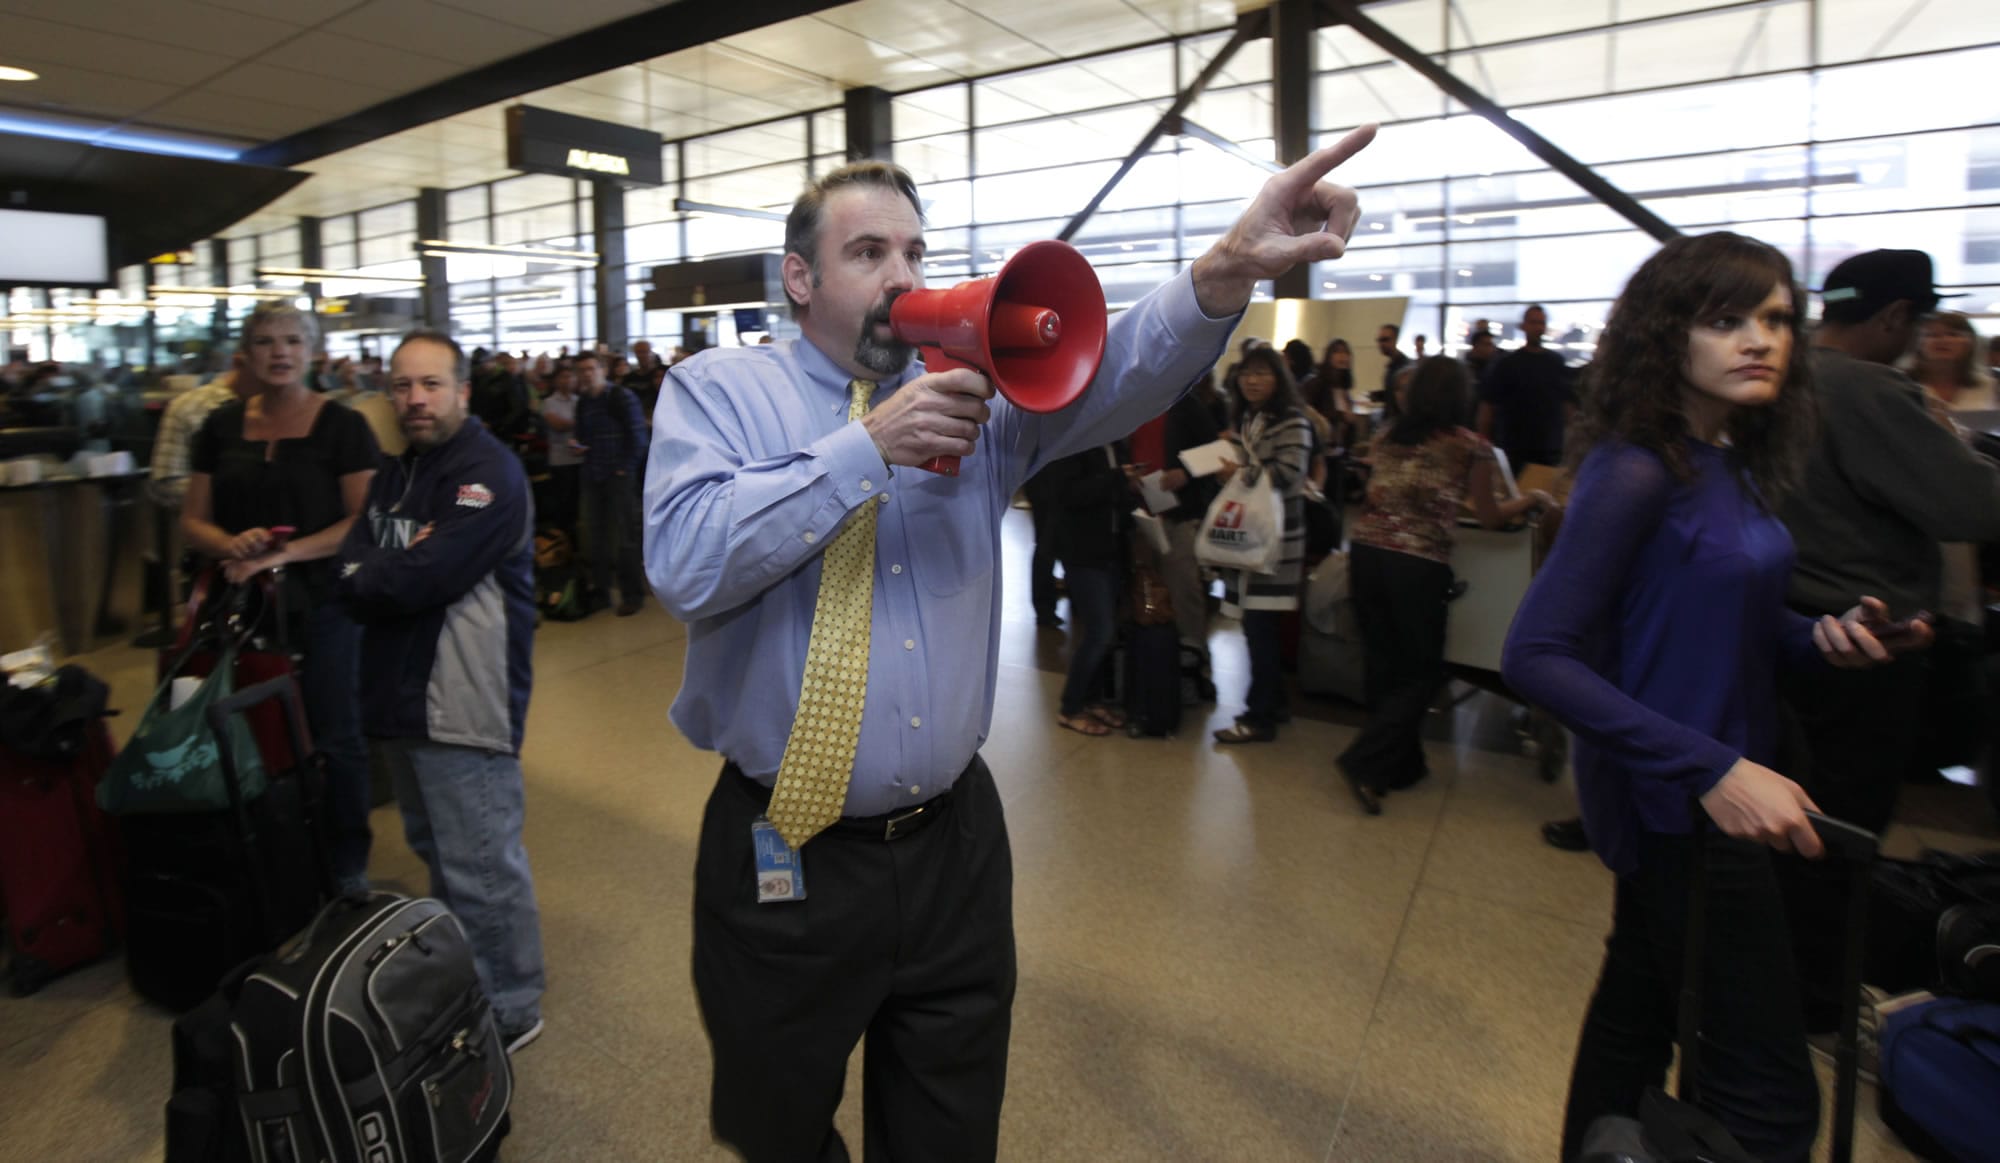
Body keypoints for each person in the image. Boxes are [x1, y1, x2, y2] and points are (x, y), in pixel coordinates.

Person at [645, 130, 1374, 1161]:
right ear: (799, 278)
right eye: (867, 254)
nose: (901, 275)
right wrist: (867, 448)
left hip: (953, 849)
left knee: (948, 1125)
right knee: (780, 1125)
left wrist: (1222, 271)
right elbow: (683, 558)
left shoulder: (978, 403)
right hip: (787, 853)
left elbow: (1119, 366)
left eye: (913, 251)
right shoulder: (718, 393)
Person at [1500, 232, 1925, 1162]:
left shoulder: (1725, 459)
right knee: (1771, 1101)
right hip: (1682, 798)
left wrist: (1821, 638)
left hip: (1720, 780)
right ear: (1666, 337)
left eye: (1775, 318)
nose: (1759, 339)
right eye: (1725, 320)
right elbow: (1536, 653)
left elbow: (1721, 614)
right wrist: (1714, 768)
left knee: (1634, 1013)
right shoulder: (1637, 467)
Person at [1776, 248, 2000, 1034]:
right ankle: (1818, 999)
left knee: (1798, 819)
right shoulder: (1868, 389)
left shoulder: (1783, 378)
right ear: (1896, 316)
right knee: (1841, 827)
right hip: (1866, 643)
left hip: (1789, 630)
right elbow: (1974, 509)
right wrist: (1955, 442)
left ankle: (1793, 981)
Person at [336, 328, 546, 1056]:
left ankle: (514, 1004)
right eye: (402, 386)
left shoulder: (485, 474)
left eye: (430, 385)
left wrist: (369, 576)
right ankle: (469, 984)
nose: (415, 399)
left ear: (461, 390)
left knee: (481, 864)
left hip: (461, 700)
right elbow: (357, 555)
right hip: (402, 691)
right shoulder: (399, 473)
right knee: (436, 848)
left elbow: (418, 575)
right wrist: (369, 572)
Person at [181, 301, 379, 894]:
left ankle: (347, 861)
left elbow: (362, 521)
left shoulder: (343, 427)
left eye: (292, 340)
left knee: (335, 732)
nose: (280, 352)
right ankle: (265, 843)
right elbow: (193, 522)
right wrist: (230, 544)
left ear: (312, 350)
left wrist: (283, 555)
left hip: (323, 603)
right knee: (246, 727)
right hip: (241, 607)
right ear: (247, 352)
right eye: (266, 341)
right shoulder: (219, 427)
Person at [1337, 357, 1549, 812]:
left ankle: (1403, 765)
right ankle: (1365, 760)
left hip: (1366, 553)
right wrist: (1533, 498)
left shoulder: (1387, 435)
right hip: (1417, 563)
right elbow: (1490, 517)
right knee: (1423, 671)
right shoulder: (1472, 447)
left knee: (1385, 663)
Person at [1210, 344, 1315, 745]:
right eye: (1246, 373)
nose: (1252, 381)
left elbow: (1288, 474)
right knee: (1258, 629)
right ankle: (1274, 704)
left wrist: (1241, 472)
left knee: (1261, 628)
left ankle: (1259, 717)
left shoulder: (1292, 421)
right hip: (1251, 537)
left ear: (1279, 378)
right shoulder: (1251, 418)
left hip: (1276, 541)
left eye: (1262, 373)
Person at [1041, 443, 1132, 736]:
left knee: (1105, 631)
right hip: (1081, 551)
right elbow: (1067, 495)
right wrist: (1117, 479)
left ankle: (1092, 700)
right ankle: (1070, 707)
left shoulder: (1115, 444)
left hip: (1110, 547)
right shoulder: (1072, 443)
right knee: (1099, 631)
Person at [1158, 370, 1226, 676]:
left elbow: (1217, 454)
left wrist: (1185, 471)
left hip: (1181, 512)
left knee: (1184, 589)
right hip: (1143, 509)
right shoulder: (1140, 401)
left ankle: (1194, 660)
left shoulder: (1187, 404)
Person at [574, 358, 648, 616]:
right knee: (597, 537)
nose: (586, 374)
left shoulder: (621, 396)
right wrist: (579, 446)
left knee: (625, 536)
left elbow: (639, 436)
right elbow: (584, 436)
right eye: (582, 370)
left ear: (602, 371)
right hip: (593, 474)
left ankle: (632, 594)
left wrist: (624, 468)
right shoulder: (584, 402)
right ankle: (602, 591)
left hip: (618, 475)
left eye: (591, 369)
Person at [1477, 304, 1575, 471]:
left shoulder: (1556, 363)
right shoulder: (1507, 365)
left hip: (1548, 449)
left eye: (1541, 323)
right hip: (1515, 450)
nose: (1538, 327)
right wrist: (1483, 443)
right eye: (1534, 322)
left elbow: (1567, 406)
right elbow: (1488, 408)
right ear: (1524, 326)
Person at [1905, 310, 1997, 411]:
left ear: (1970, 342)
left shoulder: (1990, 386)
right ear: (1919, 344)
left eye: (1953, 334)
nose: (1943, 340)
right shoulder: (1902, 383)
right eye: (1933, 335)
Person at [539, 365, 582, 543]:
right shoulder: (549, 402)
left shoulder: (579, 400)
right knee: (562, 502)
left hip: (579, 458)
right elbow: (556, 424)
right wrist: (579, 423)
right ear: (556, 381)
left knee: (577, 503)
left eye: (570, 376)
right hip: (559, 459)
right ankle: (562, 541)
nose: (567, 380)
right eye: (563, 377)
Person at [1375, 322, 1410, 402]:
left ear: (1397, 340)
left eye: (1385, 340)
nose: (1381, 344)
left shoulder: (1404, 368)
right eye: (1379, 340)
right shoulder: (1392, 365)